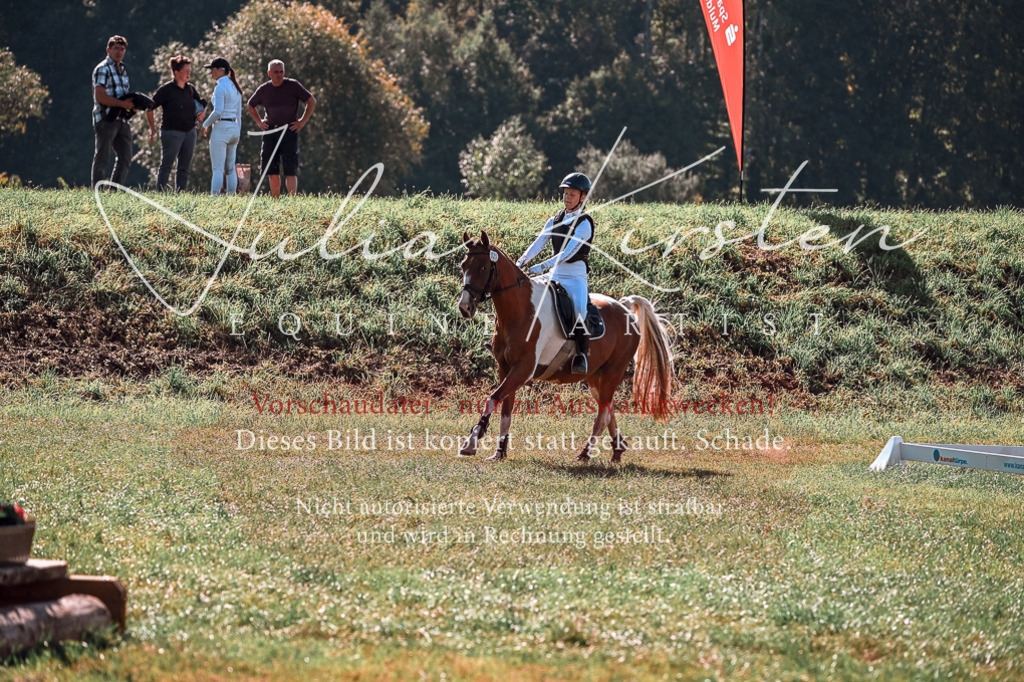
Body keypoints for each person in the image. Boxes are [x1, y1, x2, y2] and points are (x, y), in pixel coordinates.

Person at [516, 172, 596, 375]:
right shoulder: (555, 219)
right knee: (523, 292)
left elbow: (567, 253)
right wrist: (521, 262)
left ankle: (582, 355)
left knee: (580, 309)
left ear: (583, 197)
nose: (567, 197)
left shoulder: (585, 223)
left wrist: (542, 266)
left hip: (574, 276)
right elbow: (539, 243)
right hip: (554, 273)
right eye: (565, 193)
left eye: (572, 194)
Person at [246, 59, 316, 198]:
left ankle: (292, 200)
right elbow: (250, 105)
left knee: (290, 169)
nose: (279, 75)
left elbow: (311, 101)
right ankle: (276, 200)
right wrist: (259, 122)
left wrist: (302, 122)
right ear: (269, 73)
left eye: (281, 72)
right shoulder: (264, 89)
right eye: (276, 72)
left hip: (289, 131)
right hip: (270, 131)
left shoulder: (293, 85)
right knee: (272, 169)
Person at [146, 56, 206, 191]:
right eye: (185, 70)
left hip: (190, 132)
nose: (188, 73)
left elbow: (202, 104)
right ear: (176, 72)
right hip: (171, 132)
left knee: (184, 167)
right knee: (166, 165)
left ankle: (181, 193)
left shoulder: (191, 89)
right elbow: (149, 108)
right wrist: (152, 129)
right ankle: (160, 193)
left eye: (189, 70)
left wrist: (202, 113)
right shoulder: (166, 90)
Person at [91, 35, 134, 187]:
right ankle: (97, 191)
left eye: (122, 49)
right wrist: (122, 104)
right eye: (116, 48)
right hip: (106, 119)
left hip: (122, 119)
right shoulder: (103, 69)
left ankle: (115, 191)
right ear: (108, 50)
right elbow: (100, 96)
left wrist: (133, 105)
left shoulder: (123, 70)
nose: (119, 52)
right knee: (102, 158)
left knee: (126, 157)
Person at [201, 57, 243, 195]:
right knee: (230, 168)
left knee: (218, 168)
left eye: (213, 70)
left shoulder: (220, 87)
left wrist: (205, 124)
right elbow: (239, 114)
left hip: (222, 127)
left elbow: (218, 111)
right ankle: (231, 196)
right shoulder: (235, 87)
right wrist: (238, 131)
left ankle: (215, 196)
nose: (211, 73)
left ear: (220, 70)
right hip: (234, 128)